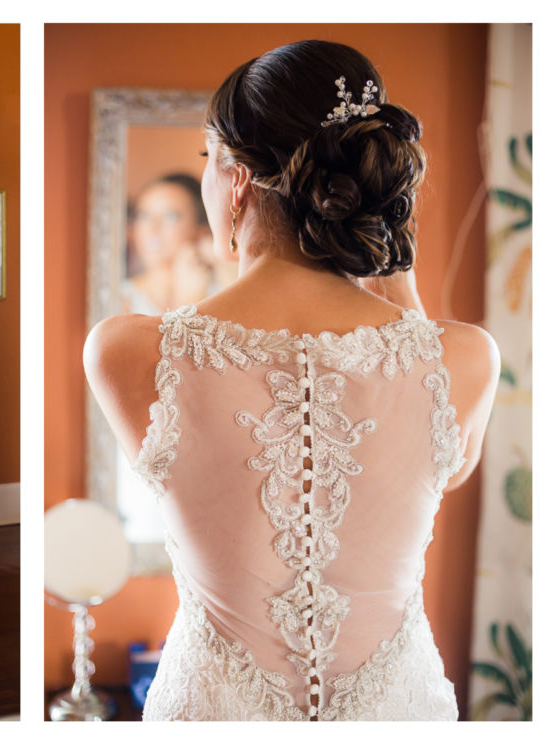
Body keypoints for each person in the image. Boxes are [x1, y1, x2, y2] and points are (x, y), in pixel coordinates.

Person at [84, 40, 499, 721]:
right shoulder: (465, 359)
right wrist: (388, 251)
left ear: (237, 180)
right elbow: (446, 468)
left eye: (204, 164)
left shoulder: (130, 349)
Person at [123, 174, 222, 315]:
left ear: (201, 231)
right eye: (144, 216)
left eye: (170, 217)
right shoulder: (121, 300)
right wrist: (188, 300)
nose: (153, 228)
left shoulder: (221, 292)